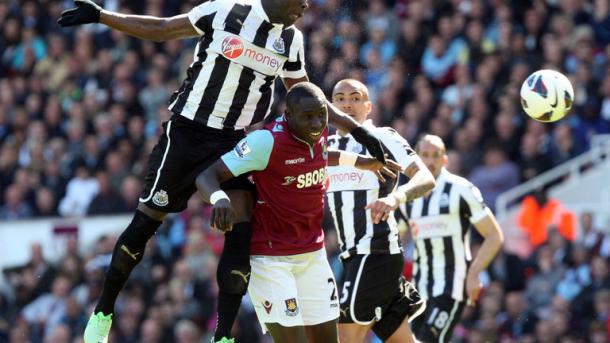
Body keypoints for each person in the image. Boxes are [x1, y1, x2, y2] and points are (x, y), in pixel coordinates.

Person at [57, 1, 387, 342]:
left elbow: (308, 96)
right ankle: (104, 311)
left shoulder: (291, 40)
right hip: (187, 134)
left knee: (241, 232)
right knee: (144, 224)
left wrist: (360, 132)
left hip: (232, 141)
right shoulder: (225, 10)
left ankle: (223, 335)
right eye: (299, 1)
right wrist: (102, 16)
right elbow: (163, 28)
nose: (304, 8)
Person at [196, 82, 401, 343]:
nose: (317, 124)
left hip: (312, 254)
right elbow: (207, 175)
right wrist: (219, 198)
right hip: (271, 259)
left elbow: (322, 154)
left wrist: (362, 163)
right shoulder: (265, 141)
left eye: (321, 115)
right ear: (288, 115)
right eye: (308, 117)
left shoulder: (318, 130)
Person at [326, 79, 436, 343]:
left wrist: (395, 198)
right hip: (353, 255)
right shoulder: (325, 148)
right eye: (339, 99)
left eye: (354, 98)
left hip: (375, 252)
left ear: (368, 106)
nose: (347, 104)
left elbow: (425, 178)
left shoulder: (383, 137)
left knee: (345, 335)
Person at [397, 134, 504, 343]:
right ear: (416, 158)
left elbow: (494, 235)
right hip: (419, 289)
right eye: (425, 155)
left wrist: (474, 273)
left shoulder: (461, 190)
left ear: (445, 160)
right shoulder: (406, 196)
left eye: (435, 155)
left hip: (452, 286)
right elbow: (393, 240)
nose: (430, 161)